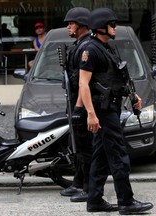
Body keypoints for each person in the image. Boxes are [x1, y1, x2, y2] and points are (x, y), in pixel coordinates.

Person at [78, 8, 154, 214]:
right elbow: (83, 84)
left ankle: (94, 200)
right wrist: (91, 114)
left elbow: (117, 77)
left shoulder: (107, 48)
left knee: (101, 157)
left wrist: (133, 96)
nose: (115, 28)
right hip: (103, 110)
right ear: (101, 27)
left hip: (110, 106)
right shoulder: (90, 50)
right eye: (112, 24)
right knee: (119, 155)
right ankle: (126, 202)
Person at [59, 7, 93, 203]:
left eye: (71, 23)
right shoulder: (79, 45)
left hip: (80, 105)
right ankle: (79, 183)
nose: (68, 26)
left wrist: (80, 110)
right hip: (74, 103)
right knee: (78, 148)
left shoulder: (86, 46)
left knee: (86, 148)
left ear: (81, 25)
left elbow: (83, 82)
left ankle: (88, 188)